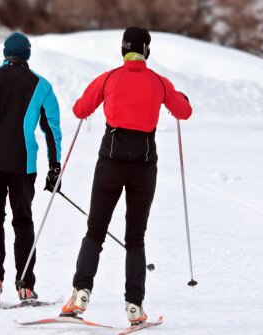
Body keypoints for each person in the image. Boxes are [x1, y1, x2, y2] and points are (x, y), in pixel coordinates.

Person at [61, 27, 192, 325]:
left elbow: (80, 109)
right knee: (135, 238)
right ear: (146, 51)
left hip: (110, 164)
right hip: (144, 168)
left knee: (95, 230)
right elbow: (184, 112)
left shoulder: (109, 78)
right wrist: (180, 97)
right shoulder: (159, 82)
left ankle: (80, 295)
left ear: (123, 50)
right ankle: (135, 306)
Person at [0, 32, 62, 303]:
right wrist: (55, 167)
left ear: (5, 53)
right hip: (23, 163)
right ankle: (25, 285)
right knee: (23, 221)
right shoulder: (42, 86)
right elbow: (52, 129)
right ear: (27, 54)